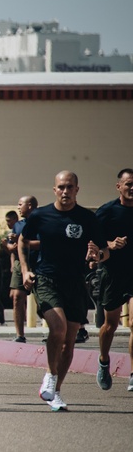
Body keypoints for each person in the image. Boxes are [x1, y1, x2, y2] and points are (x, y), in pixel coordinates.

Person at [20, 171, 106, 410]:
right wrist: (26, 270)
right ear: (54, 189)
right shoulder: (40, 215)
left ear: (77, 189)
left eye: (70, 187)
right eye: (61, 187)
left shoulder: (88, 219)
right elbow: (22, 240)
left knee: (69, 342)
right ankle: (50, 374)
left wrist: (96, 255)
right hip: (47, 279)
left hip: (76, 283)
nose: (65, 191)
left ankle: (56, 391)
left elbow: (103, 250)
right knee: (56, 328)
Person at [95, 168, 133, 392]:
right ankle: (103, 361)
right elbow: (93, 241)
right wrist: (110, 244)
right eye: (128, 184)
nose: (132, 188)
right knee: (110, 325)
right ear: (119, 186)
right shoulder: (107, 211)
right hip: (113, 273)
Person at [6, 196, 38, 343]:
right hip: (20, 263)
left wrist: (22, 242)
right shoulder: (18, 224)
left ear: (30, 205)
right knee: (17, 297)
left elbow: (43, 242)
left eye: (20, 204)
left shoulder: (41, 222)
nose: (18, 207)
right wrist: (11, 246)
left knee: (43, 300)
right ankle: (20, 335)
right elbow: (10, 245)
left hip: (38, 262)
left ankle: (54, 332)